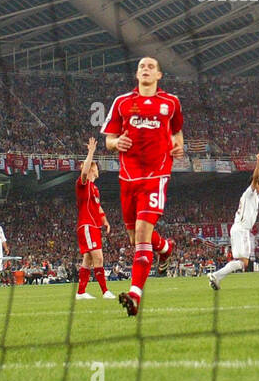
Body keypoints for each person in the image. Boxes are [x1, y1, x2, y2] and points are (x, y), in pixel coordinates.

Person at [103, 56, 184, 315]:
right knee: (135, 238)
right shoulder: (122, 102)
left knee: (140, 234)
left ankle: (135, 293)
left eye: (151, 66)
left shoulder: (170, 103)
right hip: (128, 178)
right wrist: (117, 144)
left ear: (159, 75)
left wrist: (178, 145)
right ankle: (165, 247)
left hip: (156, 174)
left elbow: (177, 131)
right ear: (137, 74)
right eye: (141, 66)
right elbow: (109, 141)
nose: (145, 69)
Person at [208, 154, 259, 289]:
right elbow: (255, 179)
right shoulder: (249, 193)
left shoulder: (256, 195)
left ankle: (217, 277)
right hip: (242, 230)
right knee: (244, 262)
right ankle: (216, 275)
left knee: (241, 262)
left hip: (238, 228)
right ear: (255, 184)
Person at [74, 137, 114, 300]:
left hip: (94, 225)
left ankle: (81, 292)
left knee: (88, 260)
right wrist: (90, 152)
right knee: (98, 257)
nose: (98, 169)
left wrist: (105, 220)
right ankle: (105, 291)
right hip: (87, 225)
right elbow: (84, 173)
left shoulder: (95, 188)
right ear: (91, 169)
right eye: (95, 166)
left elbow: (97, 206)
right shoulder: (82, 184)